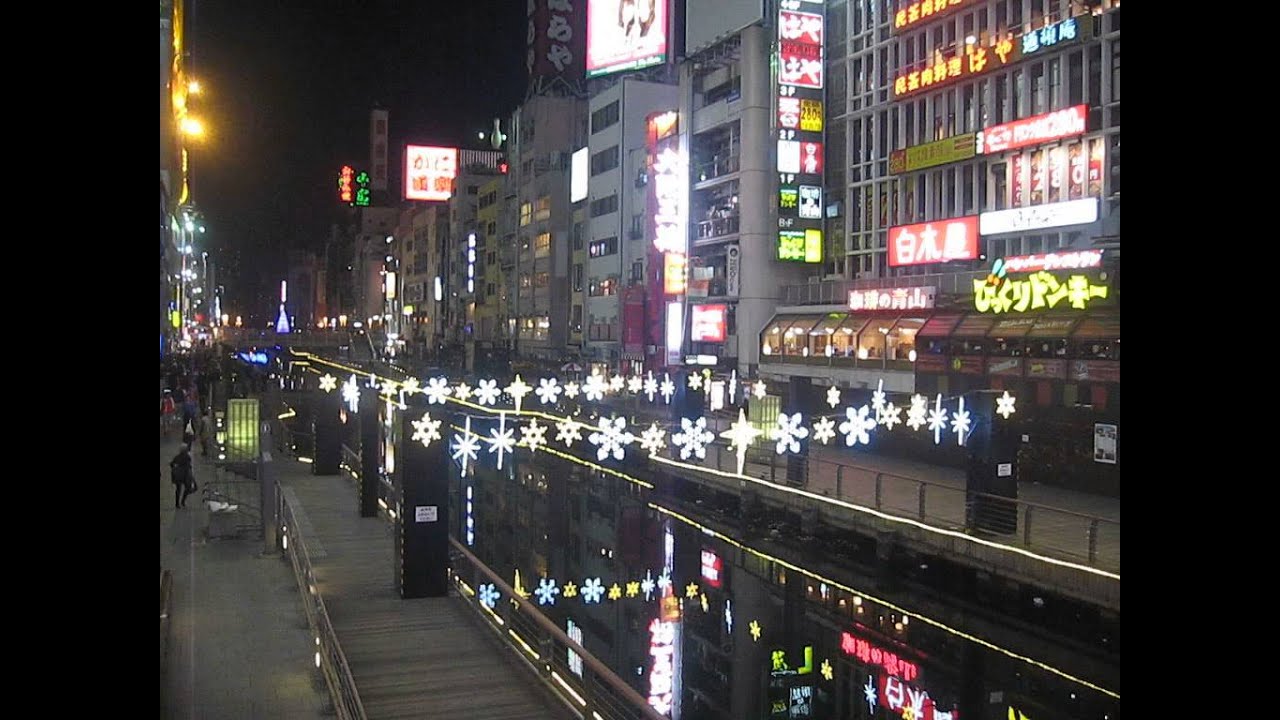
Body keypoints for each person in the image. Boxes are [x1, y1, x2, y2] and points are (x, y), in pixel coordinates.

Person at [169, 444, 196, 509]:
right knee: (187, 487)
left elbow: (171, 464)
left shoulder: (177, 457)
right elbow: (188, 466)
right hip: (185, 475)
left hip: (178, 475)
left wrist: (175, 468)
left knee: (178, 489)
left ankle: (177, 503)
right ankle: (183, 501)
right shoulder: (187, 457)